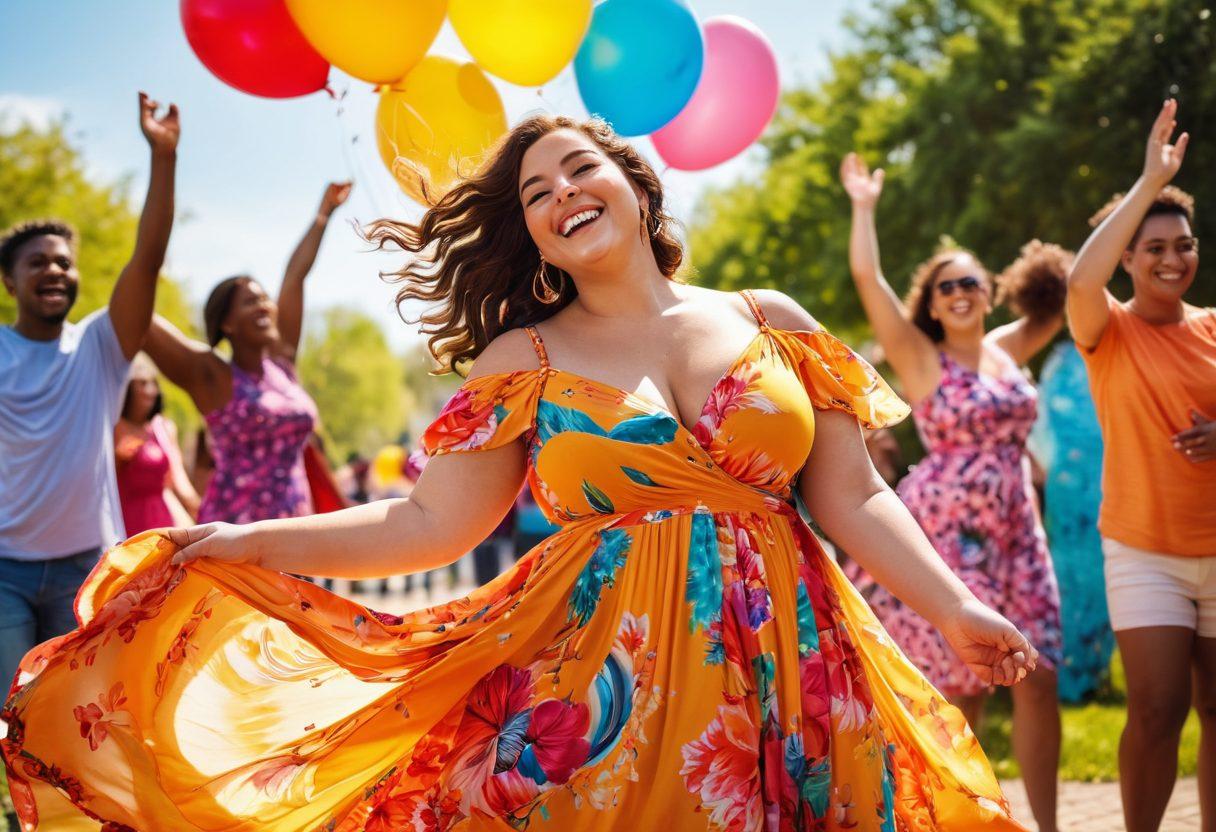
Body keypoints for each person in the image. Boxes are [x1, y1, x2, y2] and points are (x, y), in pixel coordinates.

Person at [4, 116, 1037, 831]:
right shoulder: (523, 359)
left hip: (798, 658)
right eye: (536, 194)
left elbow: (852, 493)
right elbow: (424, 527)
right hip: (603, 683)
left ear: (632, 183)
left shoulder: (769, 319)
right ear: (534, 235)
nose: (561, 195)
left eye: (578, 170)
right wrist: (242, 540)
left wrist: (950, 609)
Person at [838, 153, 1065, 831]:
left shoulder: (1006, 349)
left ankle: (1046, 824)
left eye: (969, 280)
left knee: (1040, 673)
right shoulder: (919, 358)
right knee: (962, 688)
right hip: (950, 527)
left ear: (989, 290)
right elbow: (866, 279)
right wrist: (864, 207)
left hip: (1019, 527)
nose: (958, 292)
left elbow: (1068, 292)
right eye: (945, 288)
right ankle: (948, 818)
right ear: (931, 306)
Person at [1066, 98, 1216, 832]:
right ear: (1128, 255)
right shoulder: (1108, 329)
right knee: (1158, 707)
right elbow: (1079, 282)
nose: (1172, 258)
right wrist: (1151, 182)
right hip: (1144, 549)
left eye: (1184, 245)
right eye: (1154, 246)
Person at [0, 92, 179, 691]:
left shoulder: (102, 344)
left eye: (63, 262)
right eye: (37, 263)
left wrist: (163, 157)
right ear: (10, 280)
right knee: (15, 715)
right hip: (5, 572)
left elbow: (146, 261)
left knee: (78, 717)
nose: (54, 271)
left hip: (86, 565)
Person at [143, 181, 351, 524]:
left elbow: (294, 277)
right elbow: (142, 322)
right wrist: (144, 268)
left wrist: (323, 214)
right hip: (238, 535)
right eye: (250, 302)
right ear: (227, 323)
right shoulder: (212, 375)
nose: (264, 307)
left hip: (299, 529)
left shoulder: (283, 365)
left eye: (264, 299)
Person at [1027, 336, 1112, 703]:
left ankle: (1093, 667)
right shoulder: (1062, 359)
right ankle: (1069, 670)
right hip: (1068, 488)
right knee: (1068, 574)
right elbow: (1041, 424)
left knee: (1102, 574)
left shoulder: (1115, 351)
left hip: (1109, 483)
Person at [115, 353, 201, 533]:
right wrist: (119, 457)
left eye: (154, 383)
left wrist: (196, 505)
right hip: (124, 518)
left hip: (161, 516)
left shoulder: (164, 428)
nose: (151, 390)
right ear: (127, 387)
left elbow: (177, 476)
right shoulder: (113, 426)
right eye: (143, 383)